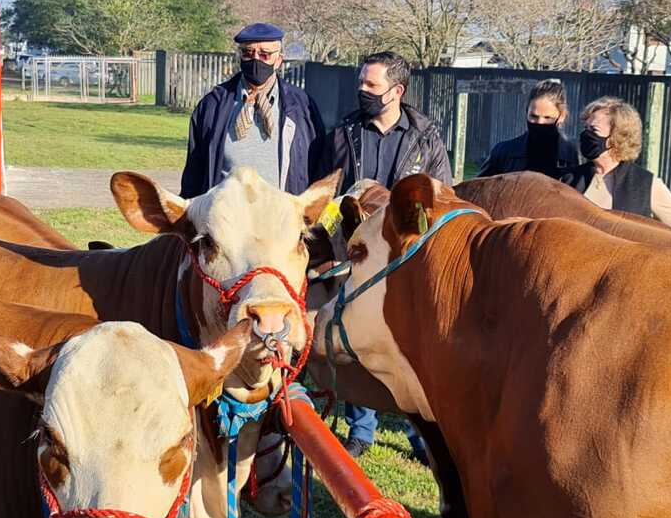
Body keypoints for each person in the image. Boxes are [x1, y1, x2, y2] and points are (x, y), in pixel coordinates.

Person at [321, 51, 451, 460]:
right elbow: (325, 188)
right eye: (361, 82)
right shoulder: (343, 133)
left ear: (397, 91)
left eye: (371, 85)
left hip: (405, 256)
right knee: (358, 336)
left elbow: (441, 193)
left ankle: (418, 435)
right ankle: (362, 429)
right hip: (357, 254)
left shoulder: (426, 136)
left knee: (407, 344)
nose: (362, 90)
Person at [180, 23, 326, 198]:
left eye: (265, 54)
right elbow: (194, 172)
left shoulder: (303, 107)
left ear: (279, 59)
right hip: (226, 219)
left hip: (279, 219)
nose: (256, 59)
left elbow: (318, 167)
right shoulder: (212, 105)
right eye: (248, 53)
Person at [562, 97, 671, 233]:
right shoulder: (569, 179)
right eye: (585, 128)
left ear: (616, 137)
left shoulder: (645, 184)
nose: (585, 135)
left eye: (594, 130)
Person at [477, 79, 579, 179]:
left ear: (561, 117)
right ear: (526, 112)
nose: (539, 122)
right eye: (534, 116)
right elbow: (476, 189)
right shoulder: (503, 153)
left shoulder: (573, 156)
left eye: (547, 118)